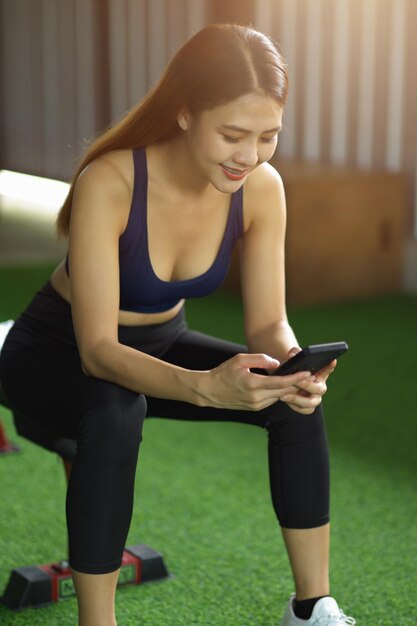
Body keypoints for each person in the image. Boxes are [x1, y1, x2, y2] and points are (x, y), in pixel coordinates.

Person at [0, 23, 356, 626]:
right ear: (186, 114)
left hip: (160, 341)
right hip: (56, 351)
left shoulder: (262, 189)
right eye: (233, 135)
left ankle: (312, 608)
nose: (250, 155)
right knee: (116, 409)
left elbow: (269, 323)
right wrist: (207, 386)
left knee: (293, 402)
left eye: (268, 136)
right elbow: (97, 351)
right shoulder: (109, 182)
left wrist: (294, 364)